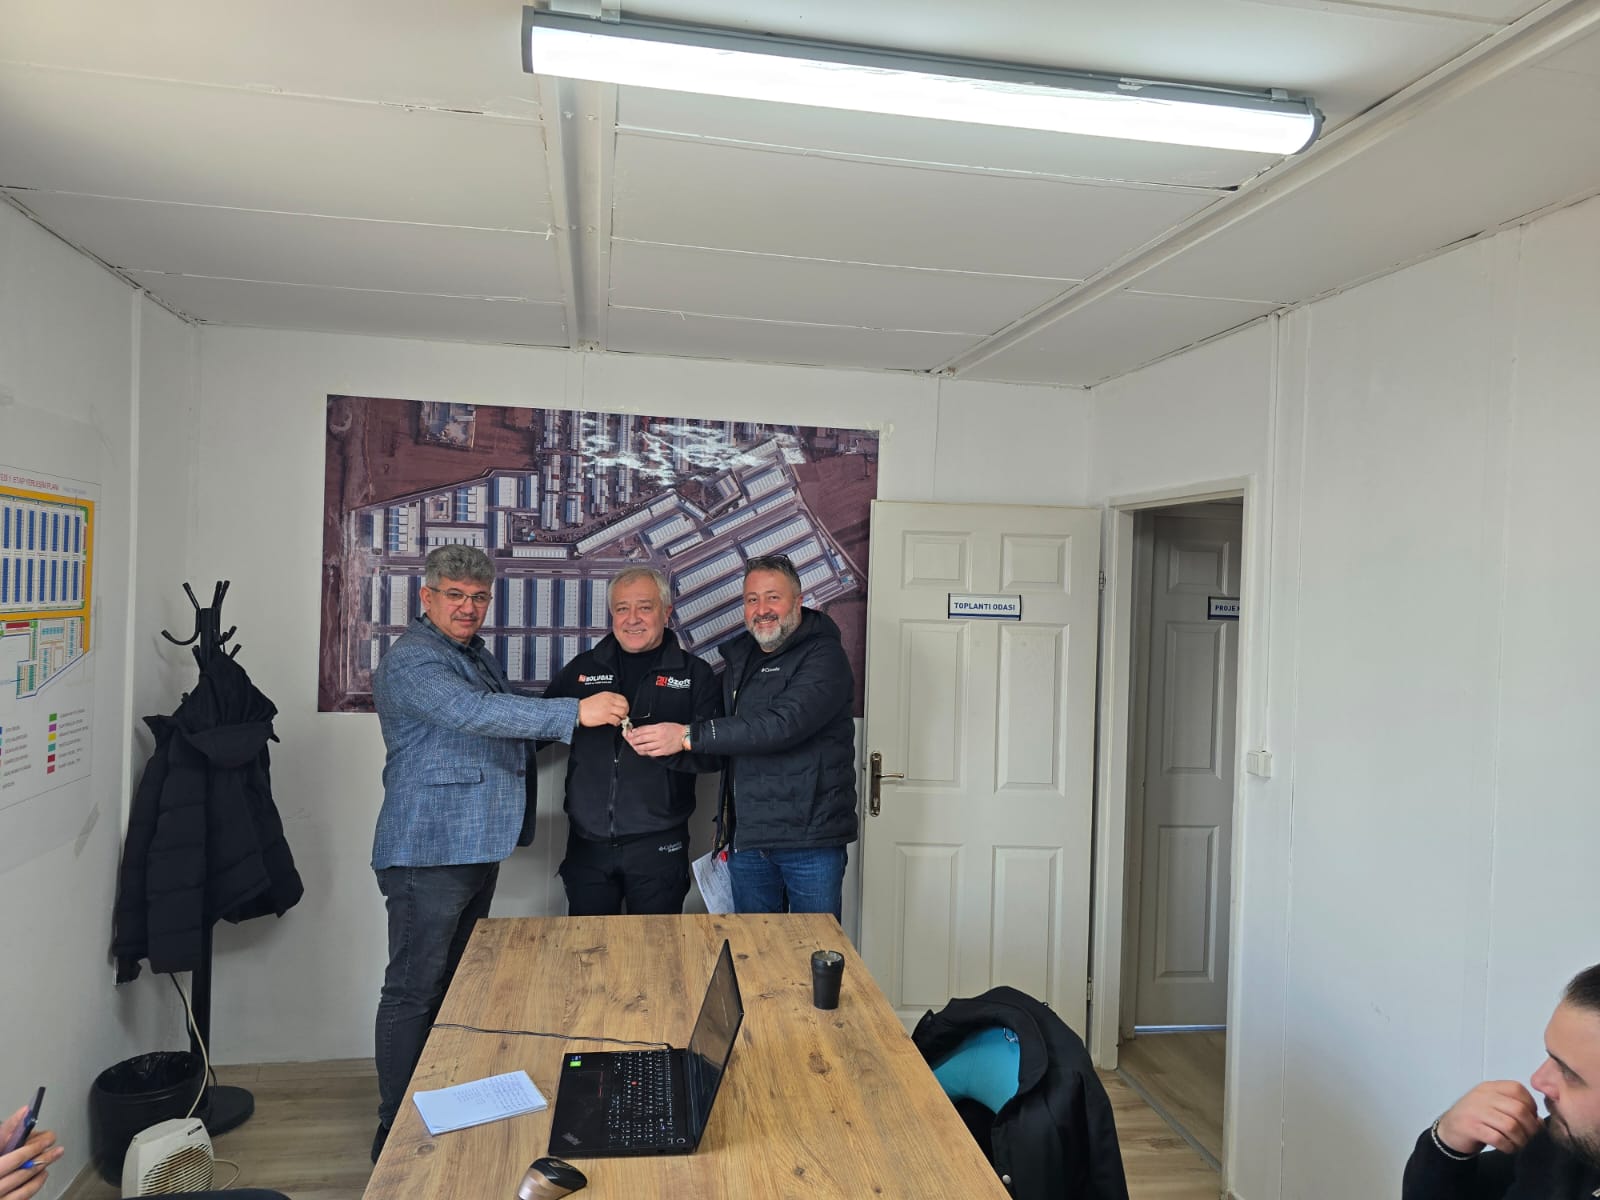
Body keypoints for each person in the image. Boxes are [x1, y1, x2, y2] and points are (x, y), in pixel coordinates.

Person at [369, 545, 627, 1161]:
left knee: (451, 984)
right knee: (412, 990)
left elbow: (497, 728)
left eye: (479, 597)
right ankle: (394, 1129)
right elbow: (474, 713)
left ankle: (437, 1105)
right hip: (428, 850)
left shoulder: (473, 655)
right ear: (427, 597)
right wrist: (576, 712)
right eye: (455, 595)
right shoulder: (413, 659)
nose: (469, 607)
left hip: (471, 845)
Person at [628, 553, 857, 920]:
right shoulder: (741, 659)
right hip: (747, 840)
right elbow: (725, 743)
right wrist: (660, 745)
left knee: (814, 946)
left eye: (773, 597)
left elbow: (782, 725)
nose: (761, 609)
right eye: (752, 599)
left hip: (810, 841)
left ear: (799, 601)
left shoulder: (825, 656)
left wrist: (685, 735)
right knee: (755, 947)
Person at [542, 567, 720, 915]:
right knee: (588, 945)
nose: (632, 619)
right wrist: (576, 712)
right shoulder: (582, 669)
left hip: (660, 845)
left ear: (666, 613)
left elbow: (716, 756)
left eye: (645, 607)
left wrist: (679, 743)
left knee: (657, 946)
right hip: (586, 845)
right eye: (622, 608)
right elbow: (538, 729)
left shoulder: (694, 674)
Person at [1402, 962, 1600, 1199]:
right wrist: (1448, 1143)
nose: (1538, 1080)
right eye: (1551, 1057)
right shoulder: (1561, 1149)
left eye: (1568, 1073)